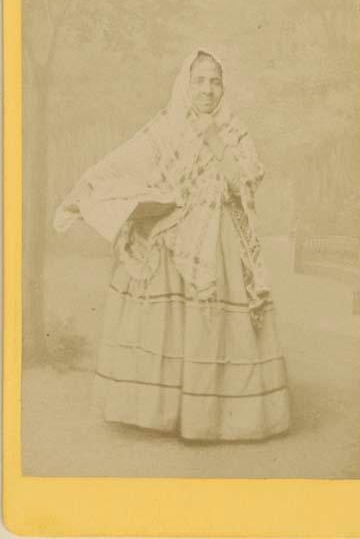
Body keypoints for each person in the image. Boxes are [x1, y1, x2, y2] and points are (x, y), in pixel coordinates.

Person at [53, 49, 291, 442]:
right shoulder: (168, 126)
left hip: (220, 237)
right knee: (169, 321)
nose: (207, 89)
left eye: (215, 81)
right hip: (173, 230)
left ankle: (212, 416)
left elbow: (244, 182)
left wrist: (213, 138)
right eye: (199, 81)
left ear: (222, 87)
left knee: (213, 322)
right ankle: (162, 412)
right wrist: (86, 188)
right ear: (186, 84)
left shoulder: (233, 130)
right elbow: (126, 161)